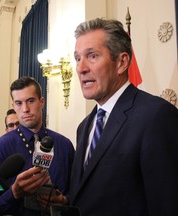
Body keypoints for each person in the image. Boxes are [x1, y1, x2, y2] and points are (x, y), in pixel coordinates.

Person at [68, 18, 178, 215]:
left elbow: (167, 204)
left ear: (121, 62)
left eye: (92, 56)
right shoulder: (84, 126)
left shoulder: (157, 116)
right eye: (77, 58)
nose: (81, 68)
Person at [0, 76, 75, 216]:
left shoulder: (64, 145)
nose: (25, 109)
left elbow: (78, 192)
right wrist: (13, 192)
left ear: (42, 102)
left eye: (30, 101)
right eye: (19, 103)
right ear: (13, 106)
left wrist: (64, 200)